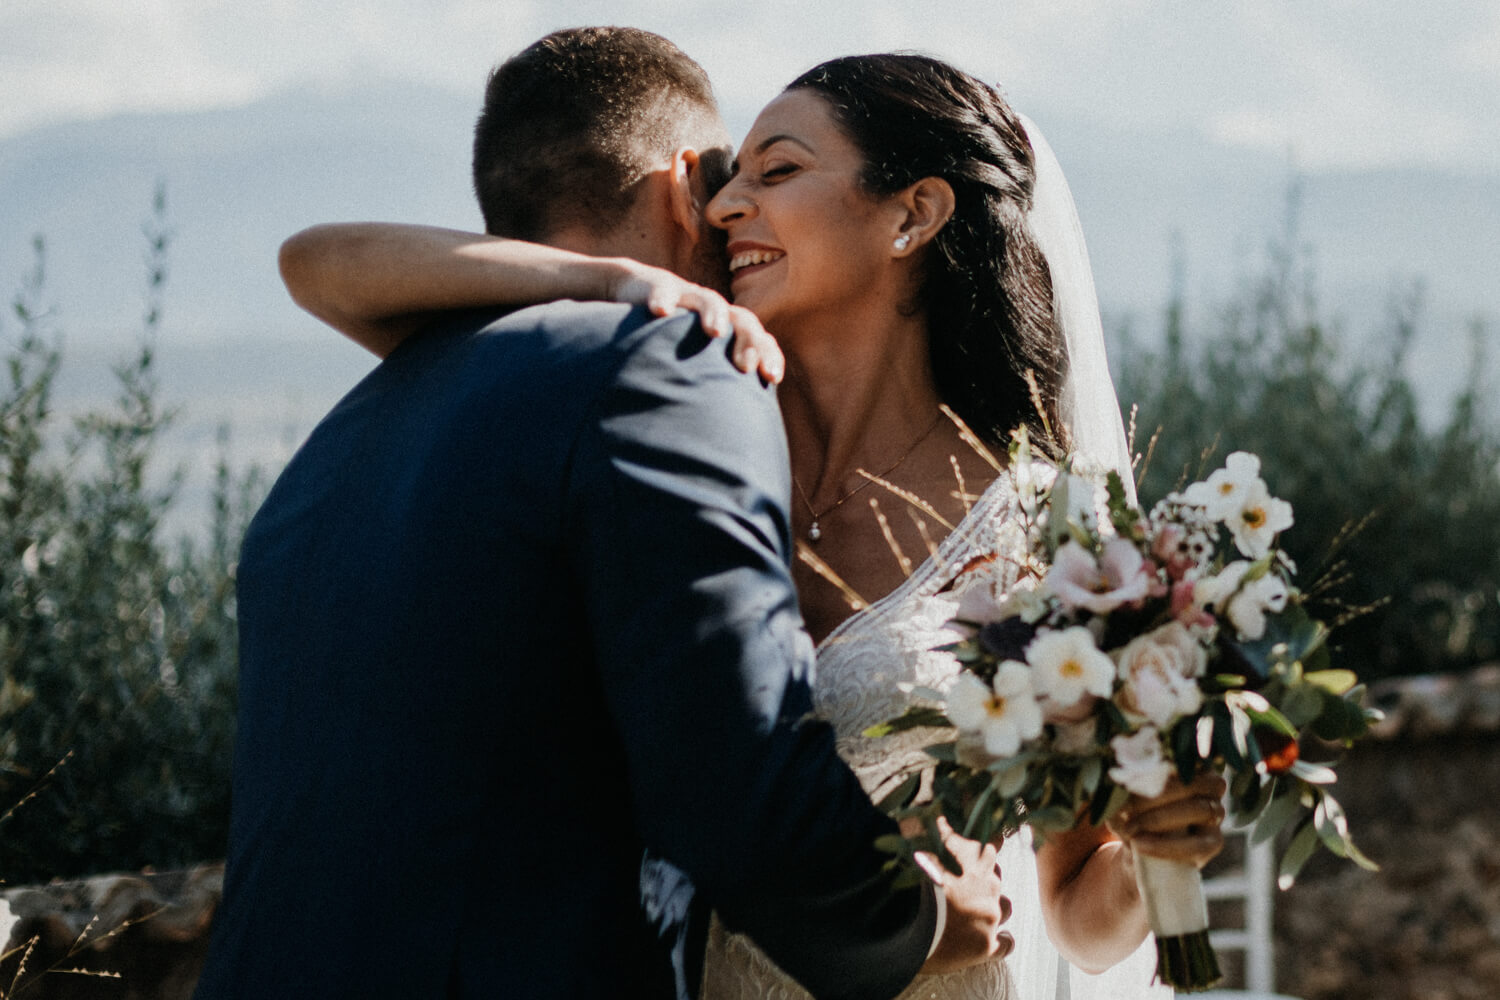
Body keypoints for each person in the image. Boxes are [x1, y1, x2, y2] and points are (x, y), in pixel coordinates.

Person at [277, 49, 1229, 1000]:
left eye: (775, 172)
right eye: (730, 180)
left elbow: (1077, 919)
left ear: (913, 213)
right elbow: (324, 268)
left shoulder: (1048, 529)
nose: (725, 206)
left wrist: (1155, 858)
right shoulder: (666, 414)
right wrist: (604, 280)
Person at [193, 29, 1013, 1000]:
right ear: (679, 190)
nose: (731, 213)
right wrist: (910, 925)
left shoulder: (353, 430)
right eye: (720, 183)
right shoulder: (668, 365)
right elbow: (732, 769)